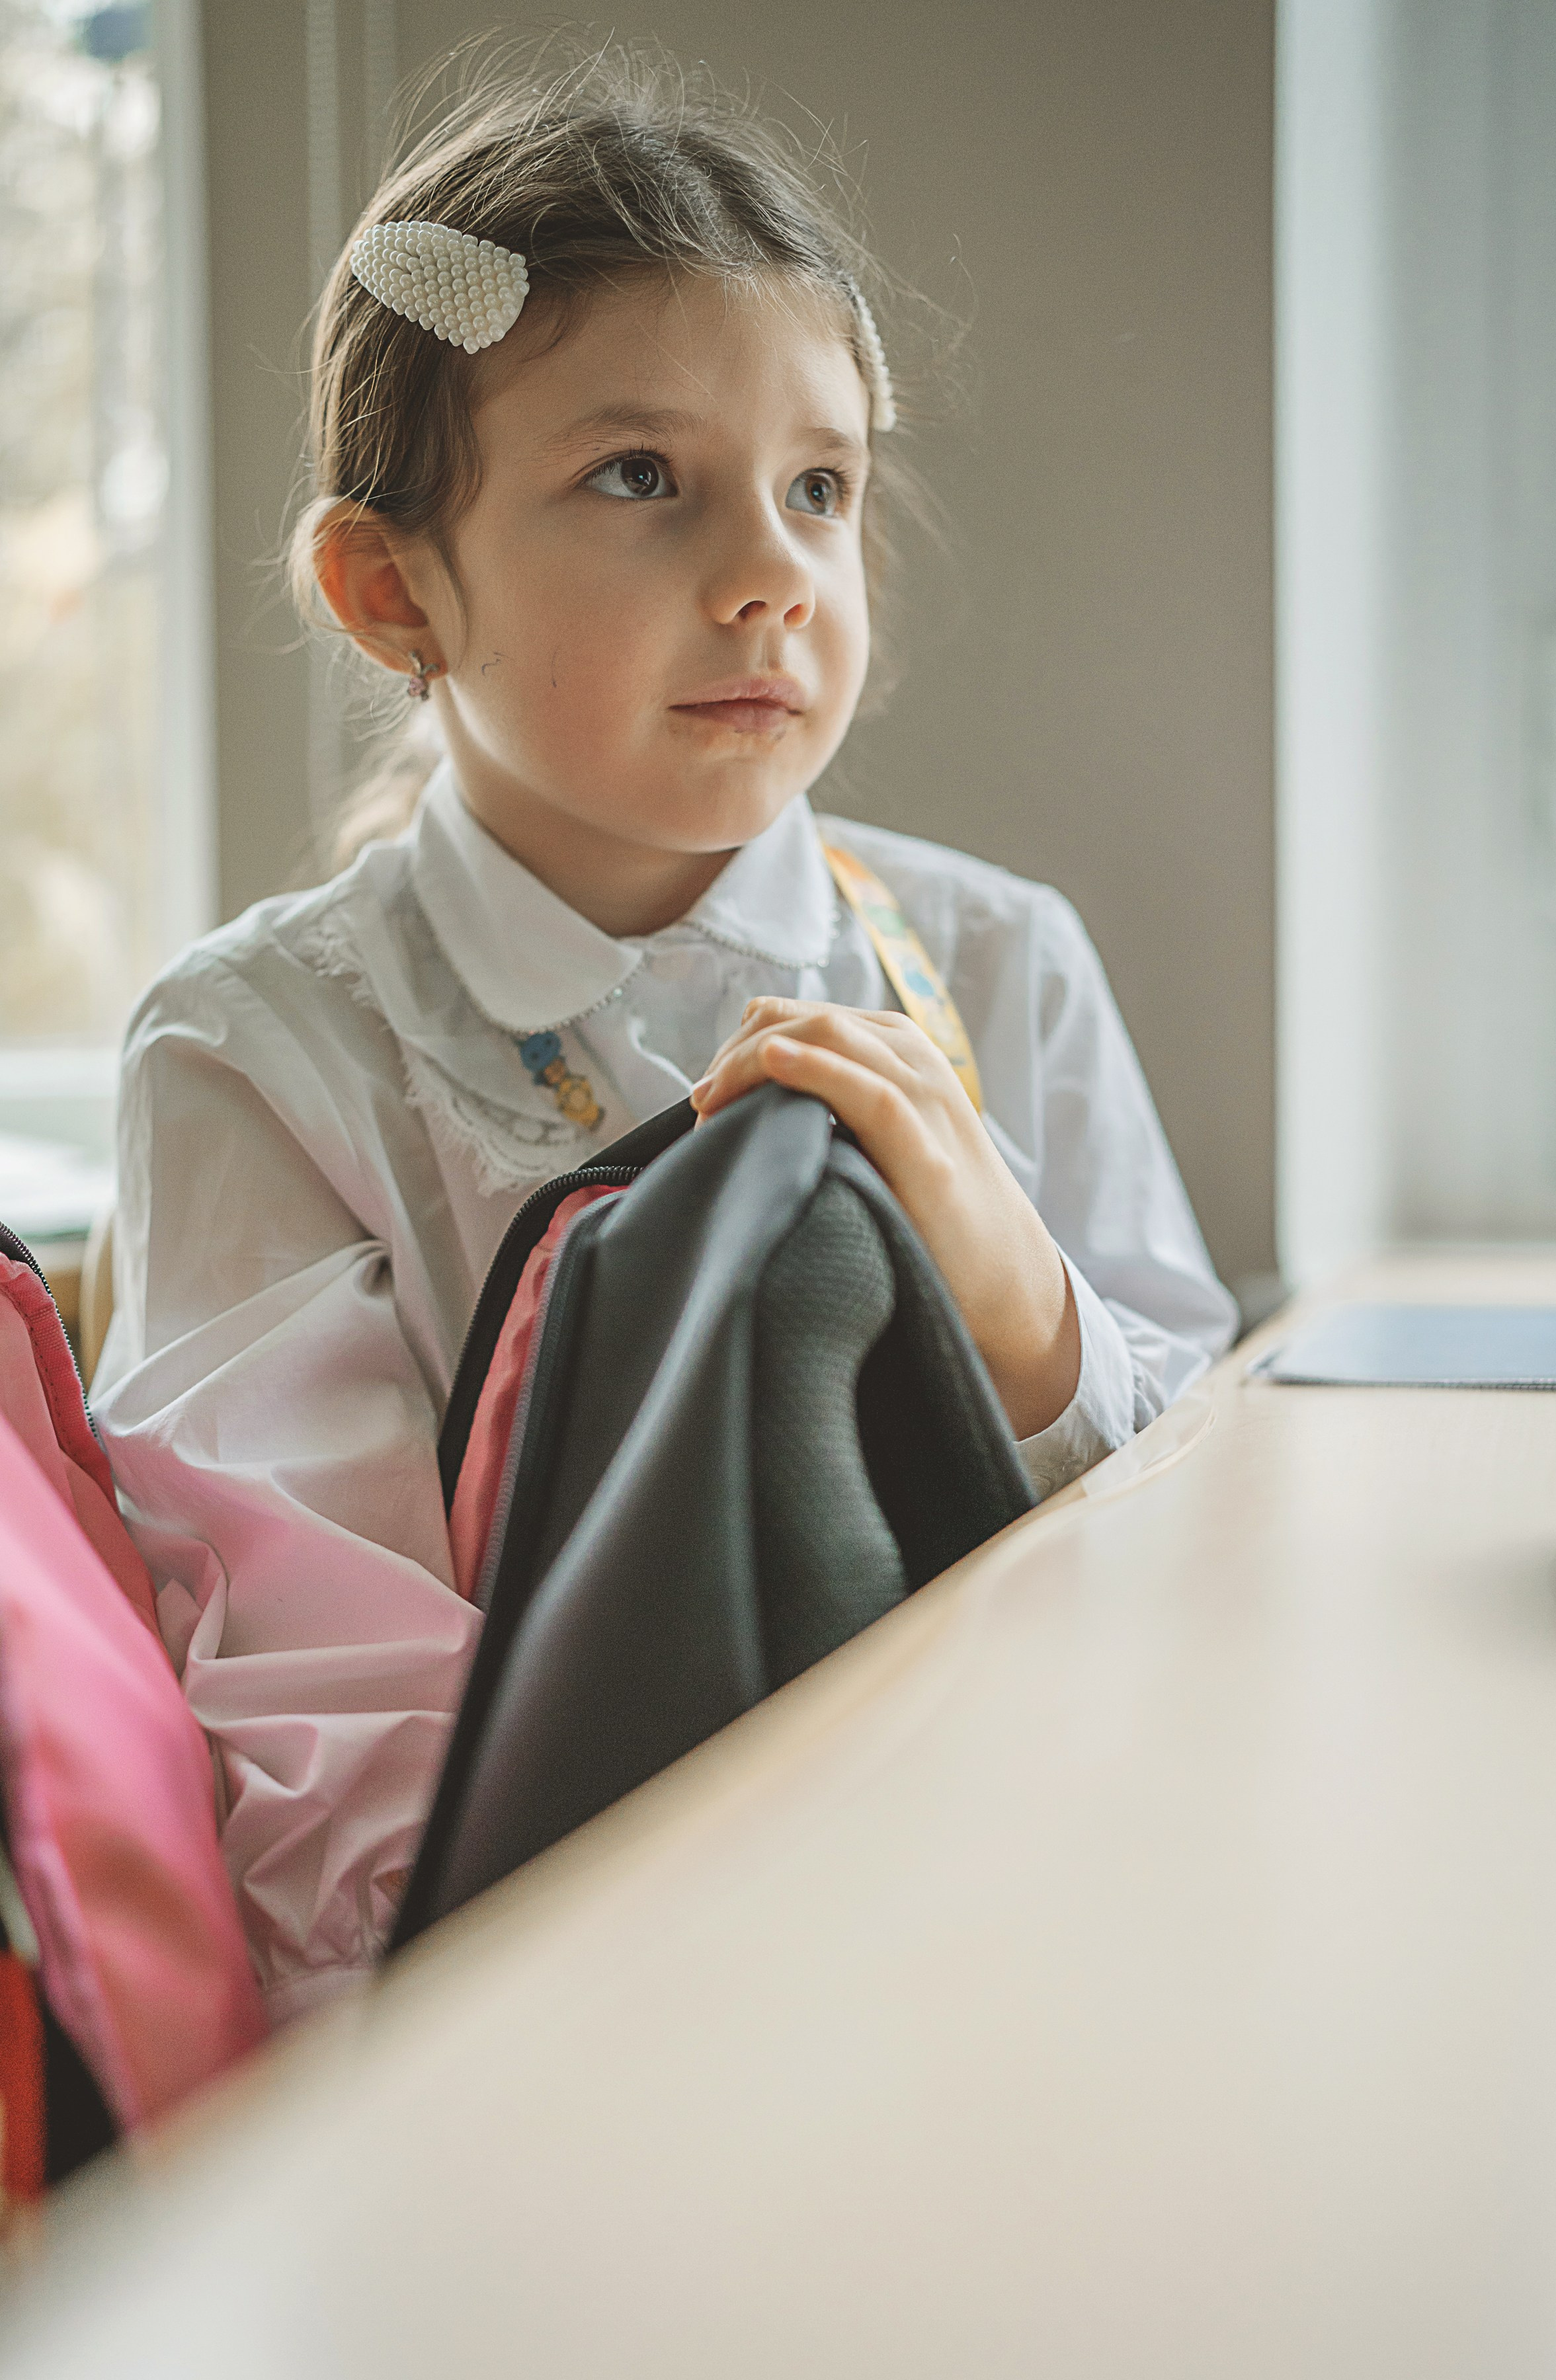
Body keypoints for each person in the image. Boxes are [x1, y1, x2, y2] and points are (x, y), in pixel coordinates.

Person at [94, 51, 1237, 2026]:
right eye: (641, 479)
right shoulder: (256, 1057)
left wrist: (1023, 1309)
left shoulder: (997, 963)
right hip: (551, 2019)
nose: (770, 575)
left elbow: (1213, 1540)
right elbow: (331, 1729)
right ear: (391, 594)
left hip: (1022, 1945)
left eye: (821, 488)